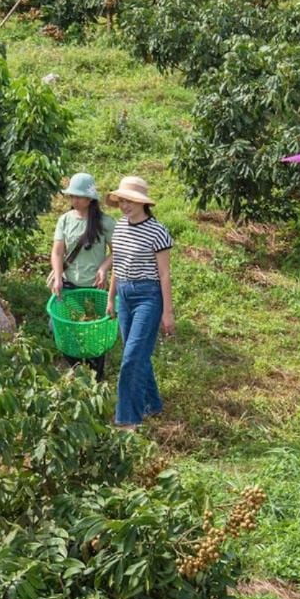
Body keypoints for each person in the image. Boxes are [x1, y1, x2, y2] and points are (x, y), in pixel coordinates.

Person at [105, 176, 174, 430]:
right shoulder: (120, 227)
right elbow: (117, 264)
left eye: (130, 201)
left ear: (143, 203)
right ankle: (152, 404)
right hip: (124, 294)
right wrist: (111, 298)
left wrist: (168, 312)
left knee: (131, 359)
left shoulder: (158, 231)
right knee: (138, 356)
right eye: (122, 201)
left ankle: (127, 421)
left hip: (148, 296)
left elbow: (165, 274)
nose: (125, 206)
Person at [50, 171, 113, 379]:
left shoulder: (105, 222)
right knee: (61, 327)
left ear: (90, 199)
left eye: (78, 196)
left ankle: (97, 374)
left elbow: (118, 253)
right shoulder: (65, 220)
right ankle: (77, 367)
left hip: (94, 288)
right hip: (70, 285)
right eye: (72, 196)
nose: (74, 200)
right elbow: (58, 251)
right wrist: (58, 276)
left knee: (95, 330)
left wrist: (103, 268)